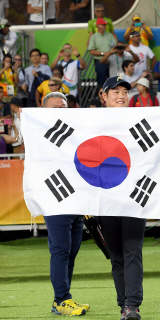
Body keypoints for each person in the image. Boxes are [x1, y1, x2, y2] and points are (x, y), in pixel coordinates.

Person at [99, 76, 160, 320]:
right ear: (103, 96)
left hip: (133, 198)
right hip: (103, 199)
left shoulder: (141, 119)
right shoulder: (91, 122)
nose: (121, 95)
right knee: (117, 256)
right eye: (115, 91)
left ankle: (132, 305)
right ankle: (124, 305)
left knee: (131, 252)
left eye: (124, 92)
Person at [41, 92, 89, 316]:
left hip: (76, 199)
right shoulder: (38, 132)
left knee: (71, 251)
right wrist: (25, 118)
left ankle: (60, 299)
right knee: (61, 251)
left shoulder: (74, 132)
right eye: (54, 108)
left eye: (63, 107)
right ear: (42, 112)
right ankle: (62, 299)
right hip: (55, 198)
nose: (60, 111)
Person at [88, 18, 116, 89]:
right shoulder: (93, 37)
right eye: (103, 25)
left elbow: (115, 46)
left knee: (113, 81)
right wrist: (104, 53)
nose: (105, 26)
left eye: (105, 25)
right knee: (101, 82)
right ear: (98, 26)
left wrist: (110, 53)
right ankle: (101, 98)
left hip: (111, 61)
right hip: (100, 62)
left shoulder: (110, 35)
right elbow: (91, 51)